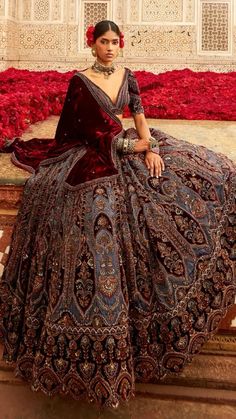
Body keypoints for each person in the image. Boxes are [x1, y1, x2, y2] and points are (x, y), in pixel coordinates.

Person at [0, 20, 235, 408]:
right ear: (92, 45)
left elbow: (139, 115)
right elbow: (79, 134)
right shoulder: (80, 82)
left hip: (128, 144)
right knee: (96, 207)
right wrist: (129, 146)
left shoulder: (128, 76)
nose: (110, 48)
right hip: (92, 153)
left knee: (194, 173)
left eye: (114, 42)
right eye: (103, 42)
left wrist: (150, 148)